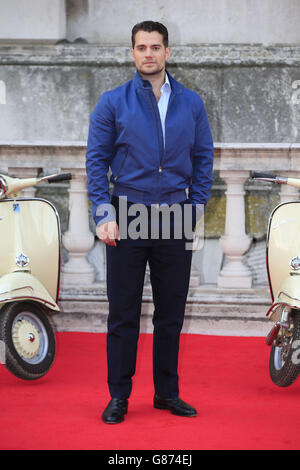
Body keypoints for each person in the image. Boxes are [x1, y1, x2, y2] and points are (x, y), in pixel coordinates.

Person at [86, 20, 214, 424]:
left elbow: (204, 160)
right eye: (141, 48)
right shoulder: (113, 102)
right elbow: (96, 163)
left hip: (175, 214)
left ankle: (167, 393)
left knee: (170, 312)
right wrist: (104, 213)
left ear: (167, 53)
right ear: (132, 53)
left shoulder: (191, 104)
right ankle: (119, 396)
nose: (148, 54)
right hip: (128, 215)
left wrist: (194, 207)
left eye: (155, 47)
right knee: (123, 312)